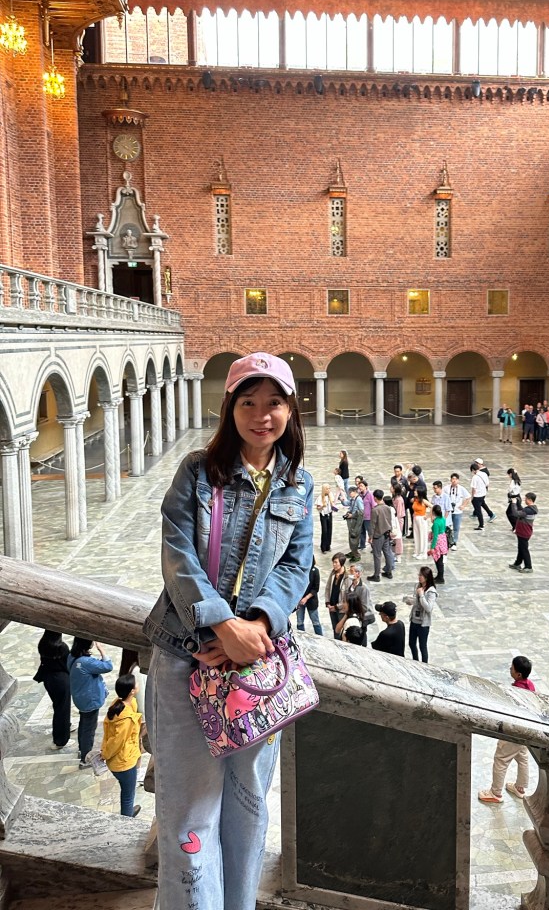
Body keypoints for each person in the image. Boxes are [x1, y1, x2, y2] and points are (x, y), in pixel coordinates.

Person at [143, 351, 314, 910]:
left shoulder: (299, 484)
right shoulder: (197, 471)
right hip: (185, 656)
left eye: (274, 403)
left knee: (247, 806)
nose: (261, 415)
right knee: (189, 813)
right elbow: (177, 555)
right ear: (230, 409)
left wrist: (257, 625)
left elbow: (297, 565)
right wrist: (221, 624)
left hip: (256, 669)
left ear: (291, 409)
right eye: (248, 402)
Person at [477, 655, 536, 803]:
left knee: (501, 759)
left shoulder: (515, 691)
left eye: (512, 668)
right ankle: (520, 787)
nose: (510, 669)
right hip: (527, 729)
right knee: (522, 756)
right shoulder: (530, 685)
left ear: (518, 674)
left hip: (514, 729)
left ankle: (495, 793)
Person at [101, 673, 143, 817]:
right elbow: (116, 742)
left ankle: (128, 812)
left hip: (122, 759)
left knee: (127, 792)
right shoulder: (126, 719)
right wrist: (105, 754)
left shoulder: (118, 704)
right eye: (136, 683)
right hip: (124, 763)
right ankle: (127, 818)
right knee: (128, 795)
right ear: (132, 691)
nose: (138, 684)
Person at [68, 636, 112, 769]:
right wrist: (102, 649)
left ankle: (82, 749)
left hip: (80, 698)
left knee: (83, 724)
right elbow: (108, 666)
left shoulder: (72, 657)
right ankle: (85, 758)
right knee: (89, 729)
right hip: (90, 700)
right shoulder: (86, 662)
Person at [33, 630, 71, 750]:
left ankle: (65, 727)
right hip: (61, 680)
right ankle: (60, 740)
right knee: (62, 709)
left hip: (48, 679)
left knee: (58, 706)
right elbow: (68, 664)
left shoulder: (43, 644)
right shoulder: (62, 647)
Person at [404, 567, 438, 663]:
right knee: (411, 643)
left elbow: (428, 608)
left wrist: (422, 595)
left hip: (423, 624)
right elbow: (417, 601)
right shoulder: (418, 586)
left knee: (422, 646)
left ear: (426, 577)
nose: (419, 577)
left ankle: (424, 665)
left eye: (421, 575)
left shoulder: (431, 591)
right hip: (414, 620)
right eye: (419, 575)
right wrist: (411, 601)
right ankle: (416, 661)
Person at [368, 489, 396, 582]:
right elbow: (389, 520)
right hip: (386, 533)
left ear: (375, 498)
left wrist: (370, 536)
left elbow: (372, 525)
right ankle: (389, 571)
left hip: (378, 535)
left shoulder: (375, 510)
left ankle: (376, 575)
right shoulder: (387, 507)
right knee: (387, 553)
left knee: (377, 555)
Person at [509, 492, 538, 573]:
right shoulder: (530, 509)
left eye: (526, 499)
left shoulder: (529, 510)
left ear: (530, 500)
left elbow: (516, 514)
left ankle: (528, 566)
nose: (525, 500)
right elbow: (521, 511)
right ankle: (517, 563)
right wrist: (518, 503)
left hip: (524, 532)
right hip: (523, 531)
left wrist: (514, 504)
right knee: (521, 548)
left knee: (524, 549)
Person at [296, 556, 323, 635]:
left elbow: (316, 588)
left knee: (315, 622)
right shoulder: (299, 570)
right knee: (299, 621)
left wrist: (306, 598)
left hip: (311, 600)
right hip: (299, 600)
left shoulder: (315, 571)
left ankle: (320, 638)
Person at [324, 553, 349, 638]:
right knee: (334, 629)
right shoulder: (333, 573)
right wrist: (327, 602)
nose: (334, 564)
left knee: (341, 631)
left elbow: (347, 597)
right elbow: (328, 588)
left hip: (341, 609)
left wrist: (337, 607)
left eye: (336, 562)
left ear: (341, 563)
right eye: (333, 562)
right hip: (332, 607)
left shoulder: (347, 576)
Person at [447, 473, 470, 549]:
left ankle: (454, 542)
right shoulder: (446, 488)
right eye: (452, 479)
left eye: (455, 479)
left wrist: (463, 505)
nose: (454, 481)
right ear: (450, 480)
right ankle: (448, 541)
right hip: (449, 511)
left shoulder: (461, 488)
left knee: (456, 528)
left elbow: (468, 497)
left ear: (458, 480)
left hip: (457, 511)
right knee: (447, 527)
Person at [470, 461, 495, 530]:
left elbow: (473, 489)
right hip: (483, 493)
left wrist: (472, 497)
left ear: (473, 470)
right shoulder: (484, 474)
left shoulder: (475, 477)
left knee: (478, 511)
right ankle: (491, 514)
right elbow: (487, 484)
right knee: (483, 504)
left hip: (477, 496)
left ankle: (481, 525)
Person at [343, 485, 364, 562]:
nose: (349, 494)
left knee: (354, 537)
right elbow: (347, 503)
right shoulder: (353, 499)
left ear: (355, 492)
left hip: (356, 522)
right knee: (351, 536)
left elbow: (361, 511)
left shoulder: (358, 500)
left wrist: (352, 515)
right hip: (352, 521)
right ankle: (353, 551)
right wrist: (342, 500)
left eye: (350, 493)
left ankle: (356, 555)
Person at [428, 504, 448, 584]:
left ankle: (440, 577)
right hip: (443, 539)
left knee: (438, 560)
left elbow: (435, 536)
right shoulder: (443, 519)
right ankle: (439, 576)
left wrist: (432, 547)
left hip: (438, 542)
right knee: (440, 559)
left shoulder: (436, 523)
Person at [411, 486, 431, 559]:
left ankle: (423, 553)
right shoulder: (415, 500)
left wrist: (428, 516)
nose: (414, 492)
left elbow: (433, 507)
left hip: (422, 519)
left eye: (416, 491)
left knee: (422, 535)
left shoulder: (424, 501)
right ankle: (417, 551)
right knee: (416, 535)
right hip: (415, 518)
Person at [316, 482, 334, 553]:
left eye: (329, 488)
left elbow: (333, 504)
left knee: (330, 530)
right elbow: (318, 507)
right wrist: (323, 506)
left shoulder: (331, 495)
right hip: (323, 515)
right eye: (327, 489)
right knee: (325, 531)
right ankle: (323, 547)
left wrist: (334, 507)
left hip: (329, 513)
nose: (329, 490)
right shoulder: (320, 497)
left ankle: (328, 546)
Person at [358, 480, 375, 552]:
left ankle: (374, 547)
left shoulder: (370, 494)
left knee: (370, 532)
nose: (360, 487)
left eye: (361, 486)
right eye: (359, 486)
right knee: (361, 531)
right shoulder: (359, 495)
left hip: (368, 517)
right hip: (361, 516)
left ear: (366, 487)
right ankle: (362, 545)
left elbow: (373, 505)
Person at [391, 483, 406, 561]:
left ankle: (398, 554)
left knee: (398, 537)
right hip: (394, 519)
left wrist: (395, 519)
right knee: (394, 537)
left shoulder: (399, 499)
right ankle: (394, 553)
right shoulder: (394, 498)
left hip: (398, 520)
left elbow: (399, 513)